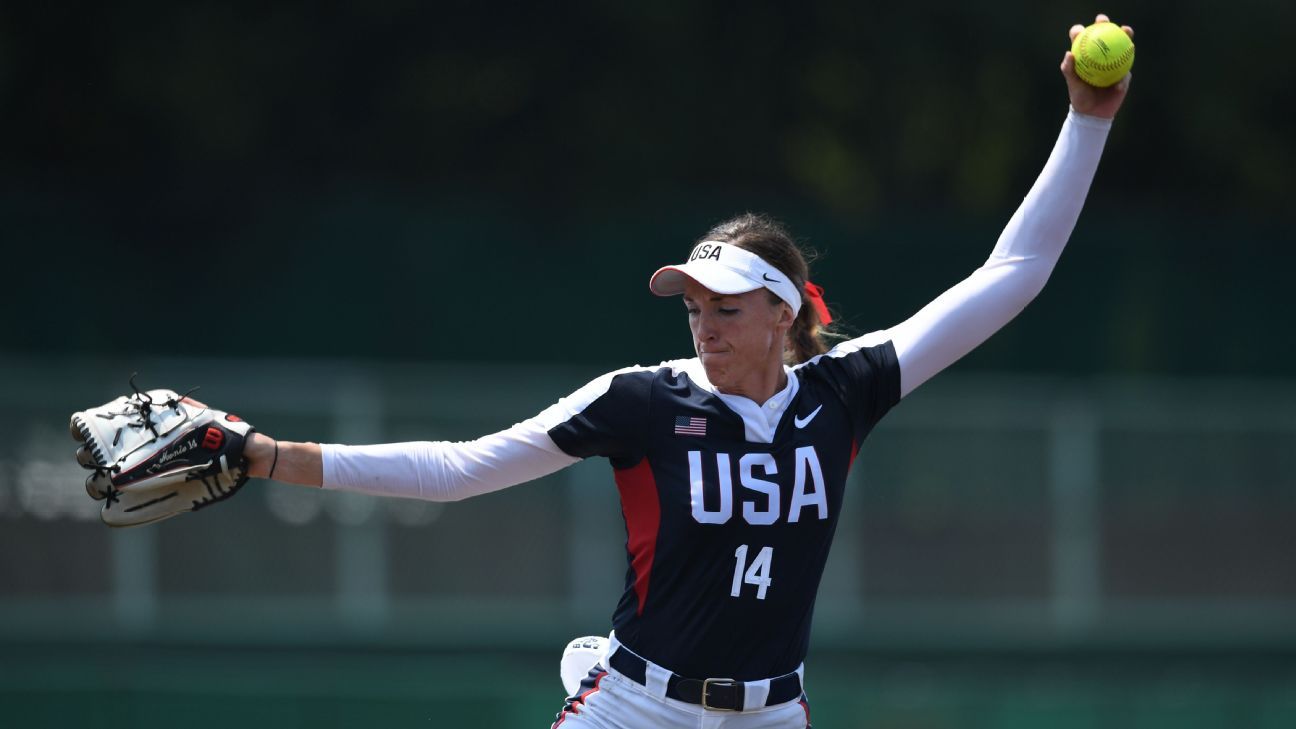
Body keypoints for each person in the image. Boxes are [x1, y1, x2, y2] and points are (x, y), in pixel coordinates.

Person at [238, 16, 1133, 729]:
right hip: (633, 706)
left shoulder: (844, 389)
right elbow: (459, 469)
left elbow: (1013, 274)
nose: (704, 324)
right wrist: (274, 455)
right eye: (694, 306)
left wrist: (1087, 121)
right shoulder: (642, 400)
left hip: (770, 711)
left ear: (783, 313)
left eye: (727, 307)